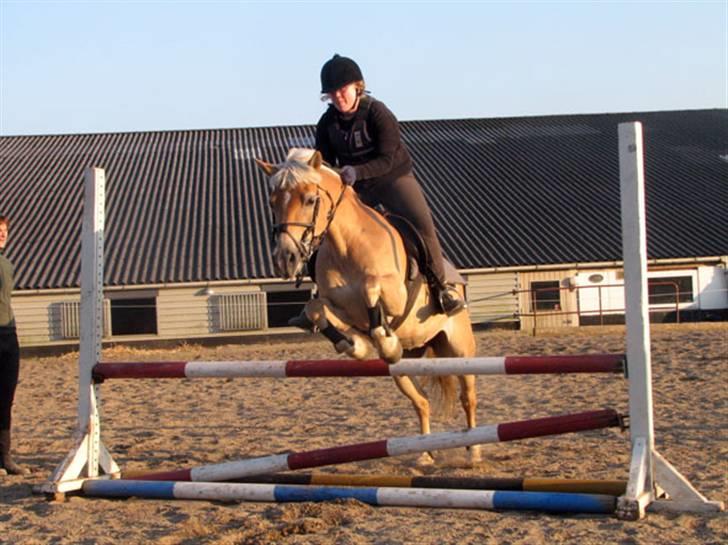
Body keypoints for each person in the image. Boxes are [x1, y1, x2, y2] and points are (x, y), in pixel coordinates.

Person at [312, 54, 465, 316]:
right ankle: (322, 293)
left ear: (357, 86)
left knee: (422, 223)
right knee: (324, 228)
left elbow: (387, 159)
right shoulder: (327, 124)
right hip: (355, 188)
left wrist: (356, 171)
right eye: (332, 93)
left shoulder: (378, 113)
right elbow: (323, 163)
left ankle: (441, 288)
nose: (338, 97)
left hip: (392, 179)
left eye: (343, 90)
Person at [0, 215, 30, 476]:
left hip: (8, 334)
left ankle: (5, 457)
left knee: (5, 398)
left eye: (4, 231)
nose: (2, 235)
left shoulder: (8, 264)